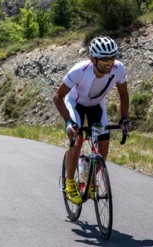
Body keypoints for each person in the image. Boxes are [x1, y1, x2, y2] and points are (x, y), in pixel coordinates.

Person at [52, 36, 130, 204]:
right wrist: (67, 122)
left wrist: (124, 118)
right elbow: (58, 97)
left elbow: (123, 94)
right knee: (77, 139)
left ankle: (91, 178)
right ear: (93, 58)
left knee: (104, 143)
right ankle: (70, 183)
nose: (109, 62)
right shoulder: (79, 70)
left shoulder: (118, 69)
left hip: (96, 104)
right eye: (104, 59)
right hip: (76, 104)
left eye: (112, 57)